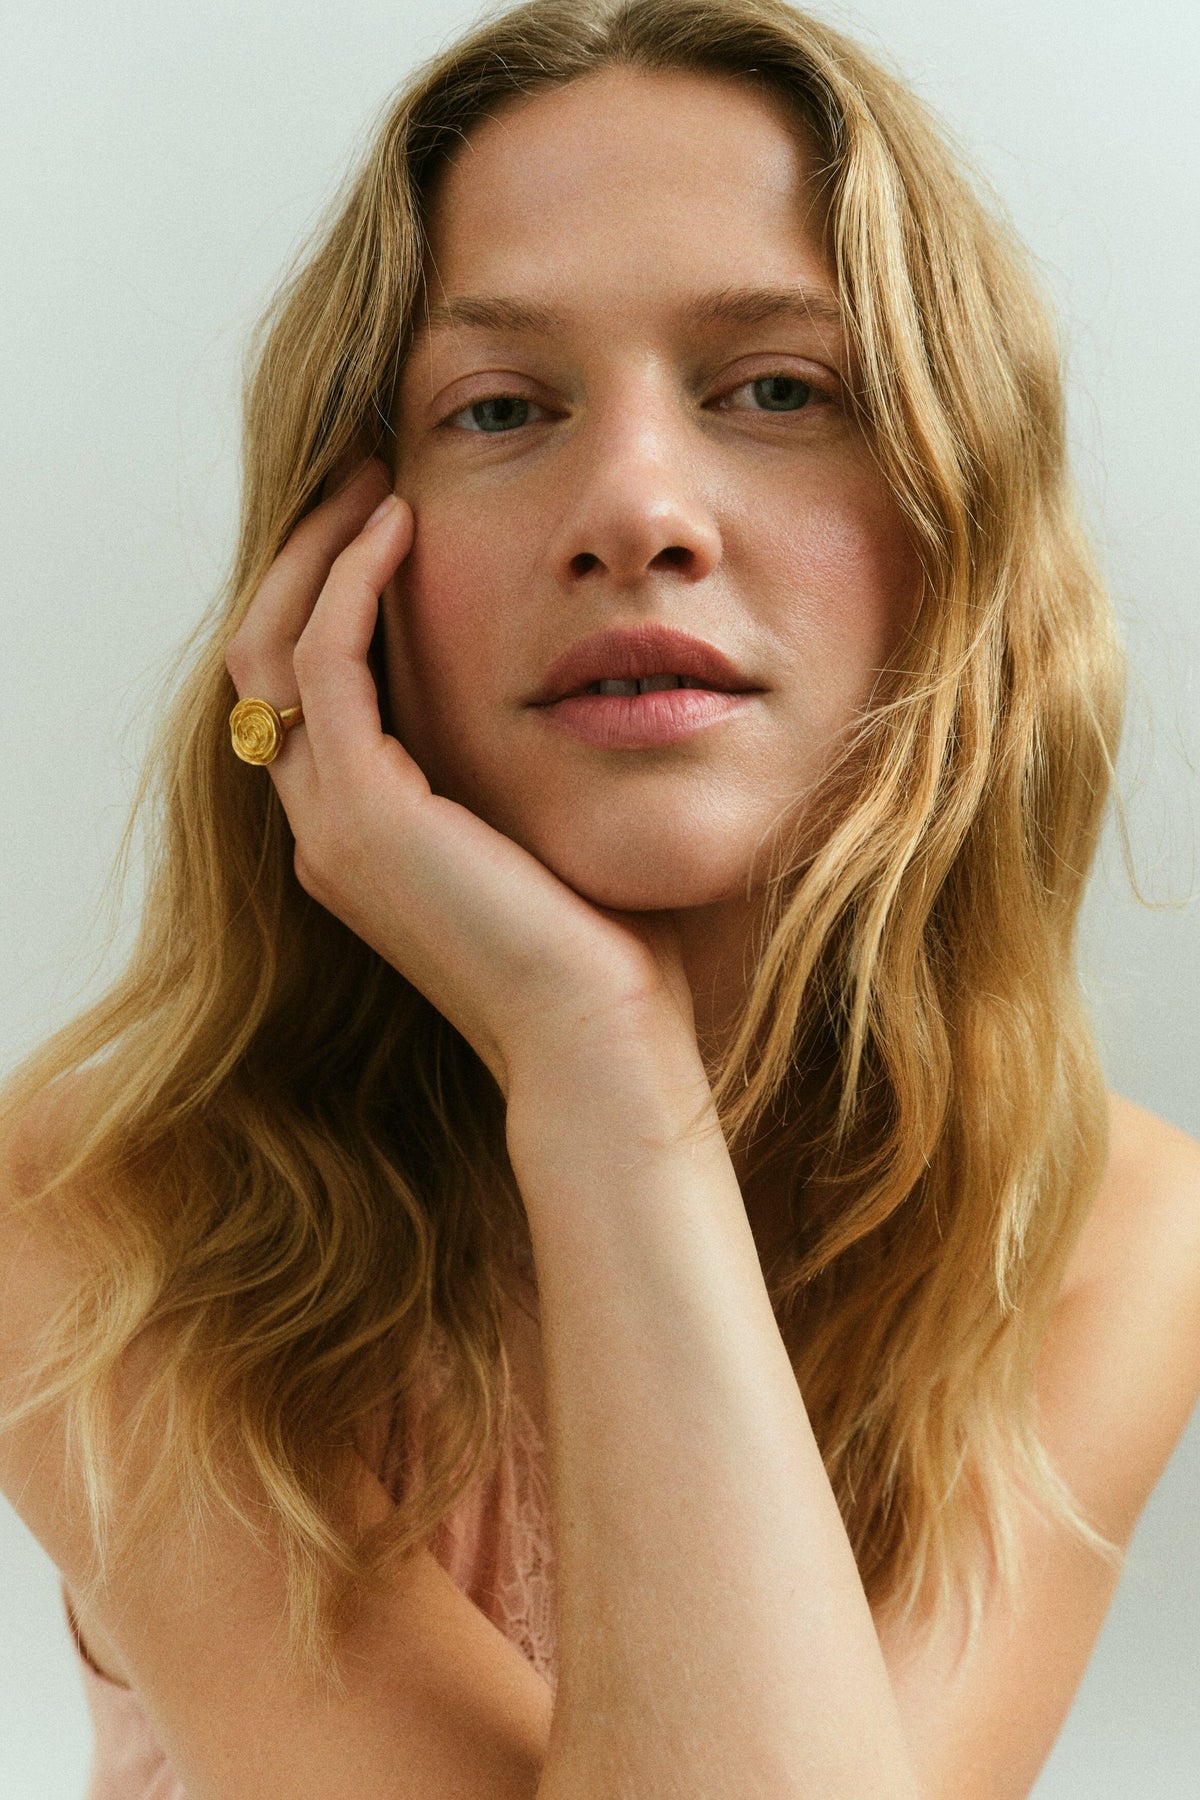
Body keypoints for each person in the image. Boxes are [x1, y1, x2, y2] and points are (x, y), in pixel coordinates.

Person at [2, 0, 1198, 1793]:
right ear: (338, 570)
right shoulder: (96, 1211)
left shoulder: (1103, 1226)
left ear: (961, 533)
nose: (635, 508)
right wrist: (598, 1050)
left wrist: (594, 1062)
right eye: (500, 408)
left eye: (779, 390)